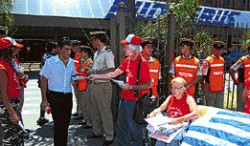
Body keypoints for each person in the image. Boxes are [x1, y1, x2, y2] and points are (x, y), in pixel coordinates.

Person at [89, 34, 152, 146]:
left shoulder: (143, 63)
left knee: (132, 125)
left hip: (134, 99)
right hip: (124, 97)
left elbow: (148, 84)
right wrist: (97, 76)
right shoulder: (127, 61)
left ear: (133, 48)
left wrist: (132, 87)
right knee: (121, 124)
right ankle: (123, 143)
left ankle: (138, 144)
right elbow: (113, 73)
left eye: (126, 47)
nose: (124, 49)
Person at [40, 36, 76, 146]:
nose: (69, 52)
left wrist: (75, 81)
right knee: (59, 125)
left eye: (70, 49)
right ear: (59, 49)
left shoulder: (72, 62)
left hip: (68, 96)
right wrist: (44, 100)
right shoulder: (50, 62)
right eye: (66, 49)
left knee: (65, 125)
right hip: (55, 97)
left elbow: (73, 77)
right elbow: (43, 81)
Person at [147, 77, 198, 146]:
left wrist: (179, 119)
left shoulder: (189, 99)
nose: (173, 90)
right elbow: (160, 108)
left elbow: (195, 113)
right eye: (172, 88)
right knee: (159, 143)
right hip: (169, 126)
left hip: (181, 127)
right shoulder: (170, 97)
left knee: (173, 142)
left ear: (183, 89)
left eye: (176, 88)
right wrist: (152, 114)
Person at [86, 31, 115, 146]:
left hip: (103, 85)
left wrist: (94, 71)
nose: (91, 43)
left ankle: (109, 135)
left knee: (105, 111)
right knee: (96, 110)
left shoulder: (107, 53)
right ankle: (97, 131)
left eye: (92, 40)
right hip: (95, 84)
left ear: (98, 40)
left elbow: (111, 69)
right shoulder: (97, 53)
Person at [0, 37, 24, 145]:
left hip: (14, 104)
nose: (17, 51)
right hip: (7, 108)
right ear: (7, 50)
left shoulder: (10, 63)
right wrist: (12, 113)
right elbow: (3, 93)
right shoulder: (1, 67)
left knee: (18, 138)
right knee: (9, 140)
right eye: (14, 48)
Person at [37, 41, 59, 126]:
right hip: (50, 82)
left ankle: (42, 117)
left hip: (44, 81)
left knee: (45, 99)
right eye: (57, 47)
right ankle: (56, 121)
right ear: (53, 48)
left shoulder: (45, 56)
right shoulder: (52, 58)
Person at [201, 41, 226, 109]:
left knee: (219, 108)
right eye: (217, 49)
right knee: (210, 108)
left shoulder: (222, 60)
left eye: (220, 49)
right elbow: (203, 74)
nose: (219, 51)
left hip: (219, 88)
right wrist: (204, 86)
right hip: (210, 88)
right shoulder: (208, 60)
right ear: (213, 49)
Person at [76, 45, 94, 129]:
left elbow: (89, 72)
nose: (80, 54)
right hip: (82, 84)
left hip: (87, 84)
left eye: (82, 52)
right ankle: (86, 119)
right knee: (84, 103)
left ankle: (90, 121)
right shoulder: (84, 61)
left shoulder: (90, 62)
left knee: (88, 104)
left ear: (86, 53)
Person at [229, 45, 250, 112]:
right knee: (242, 104)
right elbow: (232, 69)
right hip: (243, 85)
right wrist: (235, 81)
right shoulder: (243, 59)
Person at [71, 40, 84, 118]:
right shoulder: (76, 55)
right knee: (77, 96)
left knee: (81, 97)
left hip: (79, 78)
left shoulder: (81, 55)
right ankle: (79, 110)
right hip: (76, 77)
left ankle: (81, 112)